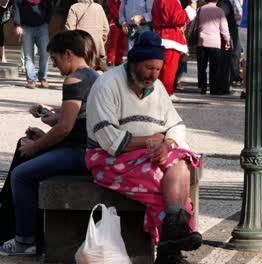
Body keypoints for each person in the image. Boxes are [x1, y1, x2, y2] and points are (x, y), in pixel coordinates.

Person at [85, 31, 202, 264]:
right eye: (149, 68)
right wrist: (152, 139)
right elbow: (109, 140)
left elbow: (176, 125)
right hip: (106, 158)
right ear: (134, 63)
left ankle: (173, 230)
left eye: (158, 69)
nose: (154, 75)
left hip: (145, 155)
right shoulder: (107, 84)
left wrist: (167, 144)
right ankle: (171, 249)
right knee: (162, 179)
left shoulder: (157, 88)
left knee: (181, 162)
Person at [0, 30, 99, 256]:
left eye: (55, 59)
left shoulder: (74, 79)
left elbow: (64, 127)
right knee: (24, 145)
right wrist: (42, 134)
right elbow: (69, 118)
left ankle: (25, 241)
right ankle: (22, 228)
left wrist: (37, 145)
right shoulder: (93, 75)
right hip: (84, 146)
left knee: (21, 174)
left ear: (67, 54)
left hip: (80, 151)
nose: (55, 65)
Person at [151, 0, 196, 100]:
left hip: (162, 35)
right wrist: (191, 9)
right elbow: (176, 18)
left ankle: (162, 92)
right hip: (170, 37)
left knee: (164, 69)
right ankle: (167, 93)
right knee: (169, 69)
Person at [13, 0, 53, 89]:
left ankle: (43, 77)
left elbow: (50, 6)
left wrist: (47, 20)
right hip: (26, 28)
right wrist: (17, 25)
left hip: (42, 27)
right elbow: (16, 9)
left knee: (45, 53)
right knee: (28, 55)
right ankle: (31, 80)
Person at [196, 0, 231, 95]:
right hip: (215, 43)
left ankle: (202, 87)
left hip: (201, 42)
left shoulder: (200, 9)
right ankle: (213, 88)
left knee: (201, 67)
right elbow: (224, 27)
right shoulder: (219, 11)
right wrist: (227, 39)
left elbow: (194, 25)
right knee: (215, 67)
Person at [107, 0, 127, 66]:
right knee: (113, 43)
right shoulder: (111, 1)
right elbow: (112, 10)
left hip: (123, 23)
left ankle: (118, 60)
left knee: (122, 44)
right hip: (115, 23)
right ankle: (110, 59)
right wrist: (121, 18)